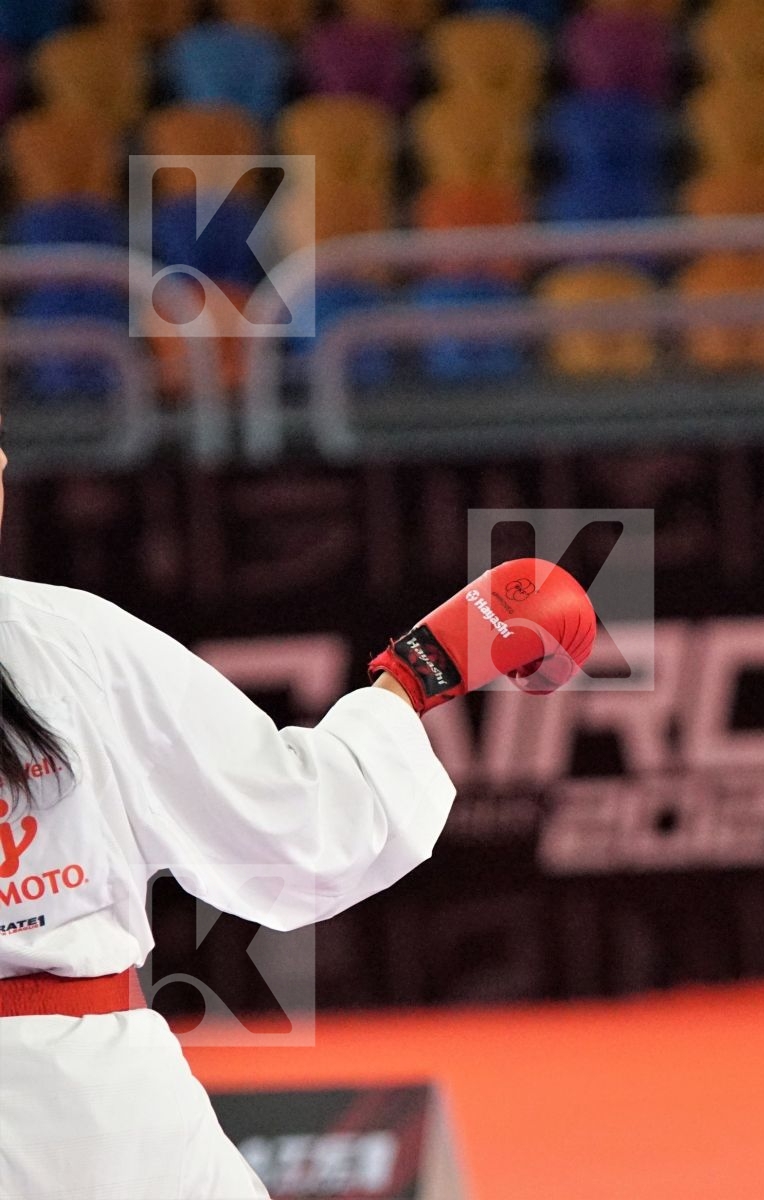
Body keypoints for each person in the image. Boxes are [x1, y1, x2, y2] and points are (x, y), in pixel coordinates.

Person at [0, 432, 598, 1200]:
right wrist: (419, 675)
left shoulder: (66, 642)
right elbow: (303, 834)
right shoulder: (69, 645)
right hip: (100, 1135)